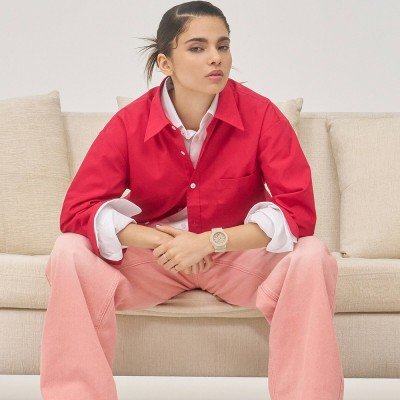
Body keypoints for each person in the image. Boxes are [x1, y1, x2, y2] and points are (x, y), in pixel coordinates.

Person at [40, 1, 344, 399]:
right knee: (68, 251)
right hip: (157, 261)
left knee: (312, 254)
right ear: (165, 63)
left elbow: (298, 213)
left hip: (235, 259)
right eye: (198, 47)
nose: (216, 58)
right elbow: (77, 210)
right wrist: (163, 242)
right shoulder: (129, 123)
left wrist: (211, 241)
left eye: (223, 45)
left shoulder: (262, 116)